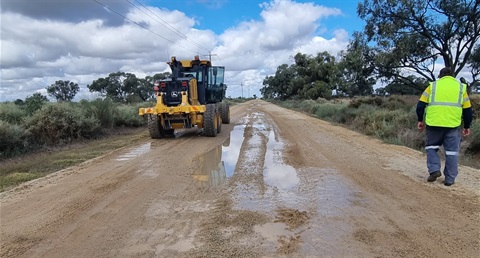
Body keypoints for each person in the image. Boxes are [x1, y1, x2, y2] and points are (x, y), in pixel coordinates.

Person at [416, 67, 473, 186]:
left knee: (431, 148)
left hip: (433, 124)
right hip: (453, 125)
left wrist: (420, 120)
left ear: (440, 75)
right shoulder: (461, 87)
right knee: (452, 152)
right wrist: (467, 126)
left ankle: (434, 170)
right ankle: (450, 179)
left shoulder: (432, 86)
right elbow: (468, 110)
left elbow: (420, 106)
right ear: (453, 76)